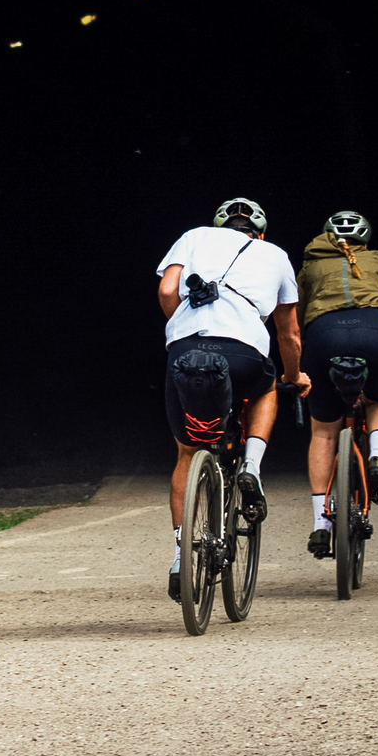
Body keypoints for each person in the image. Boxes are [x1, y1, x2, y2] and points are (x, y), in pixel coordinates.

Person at [156, 196, 302, 599]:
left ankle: (180, 556)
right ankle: (251, 466)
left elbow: (168, 288)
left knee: (187, 453)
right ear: (260, 232)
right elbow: (288, 333)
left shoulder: (195, 237)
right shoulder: (276, 255)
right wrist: (294, 375)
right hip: (244, 351)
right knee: (267, 388)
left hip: (185, 350)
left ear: (220, 225)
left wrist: (184, 325)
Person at [295, 208, 378, 557]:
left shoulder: (309, 266)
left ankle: (321, 524)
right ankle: (377, 458)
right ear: (365, 239)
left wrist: (300, 369)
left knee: (323, 431)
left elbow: (295, 317)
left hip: (324, 335)